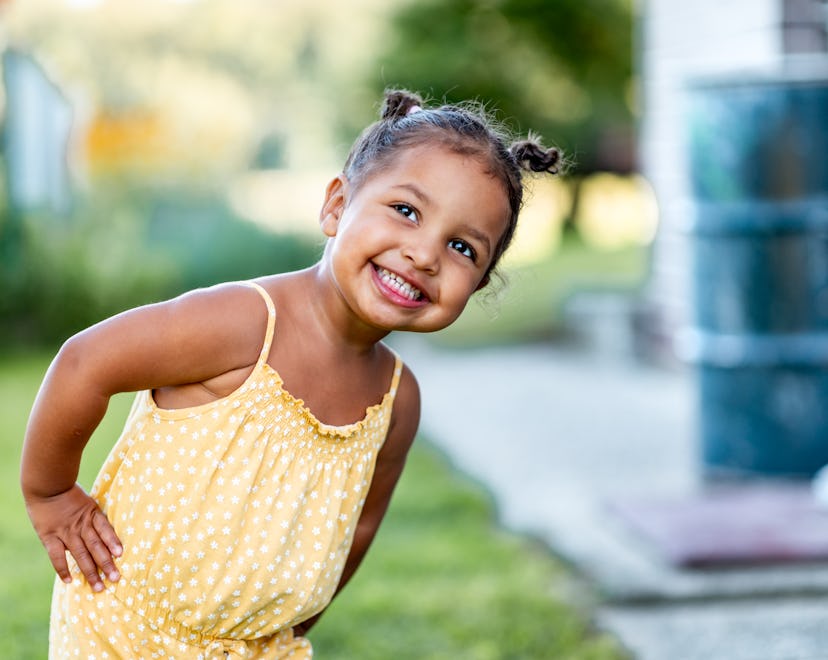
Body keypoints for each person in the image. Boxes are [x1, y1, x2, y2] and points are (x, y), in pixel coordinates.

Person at [21, 89, 561, 658]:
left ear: (475, 287)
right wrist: (51, 494)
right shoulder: (244, 324)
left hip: (260, 645)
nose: (424, 255)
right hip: (124, 624)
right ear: (336, 205)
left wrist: (306, 611)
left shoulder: (397, 401)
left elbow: (360, 526)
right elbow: (86, 361)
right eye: (406, 211)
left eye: (461, 247)